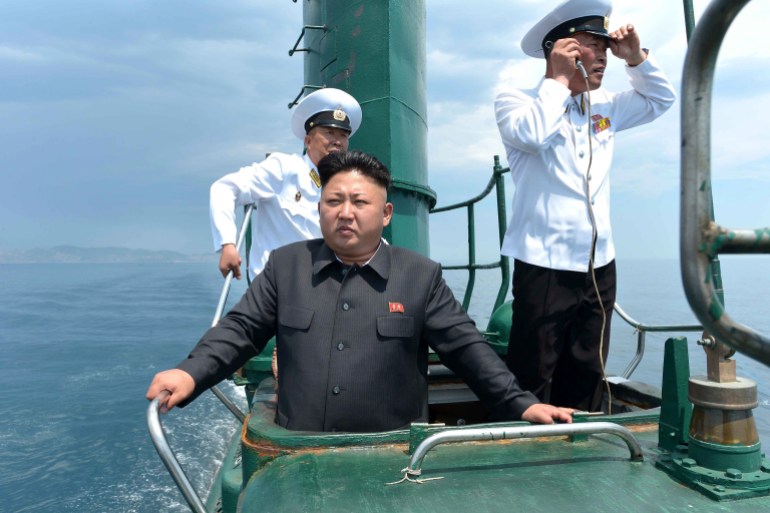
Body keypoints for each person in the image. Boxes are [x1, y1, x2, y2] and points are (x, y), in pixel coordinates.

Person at [147, 150, 573, 432]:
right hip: (300, 453)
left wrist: (521, 404)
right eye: (333, 202)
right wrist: (191, 372)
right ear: (319, 210)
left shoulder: (419, 276)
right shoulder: (286, 266)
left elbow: (468, 350)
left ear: (386, 213)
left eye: (359, 202)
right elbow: (240, 330)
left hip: (390, 460)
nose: (345, 213)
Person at [494, 0, 675, 411]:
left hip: (599, 265)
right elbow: (534, 135)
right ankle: (524, 457)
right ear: (565, 50)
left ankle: (581, 456)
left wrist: (636, 59)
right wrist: (557, 79)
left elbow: (660, 100)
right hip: (544, 265)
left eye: (606, 48)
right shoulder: (517, 101)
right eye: (595, 47)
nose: (604, 59)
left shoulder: (605, 106)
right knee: (532, 374)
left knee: (588, 370)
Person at [210, 87, 362, 281]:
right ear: (308, 141)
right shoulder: (284, 168)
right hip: (276, 289)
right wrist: (227, 243)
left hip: (322, 291)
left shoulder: (345, 186)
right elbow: (224, 189)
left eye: (343, 135)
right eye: (329, 133)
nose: (337, 141)